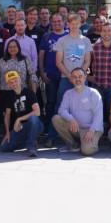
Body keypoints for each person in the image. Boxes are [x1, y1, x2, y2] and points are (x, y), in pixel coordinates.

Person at [52, 68, 103, 155]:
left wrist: (92, 131)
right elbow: (61, 110)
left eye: (80, 76)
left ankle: (91, 143)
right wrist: (71, 119)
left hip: (92, 128)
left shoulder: (93, 93)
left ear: (85, 77)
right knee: (56, 119)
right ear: (71, 79)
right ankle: (72, 145)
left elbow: (99, 115)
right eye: (74, 77)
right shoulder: (68, 93)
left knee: (87, 151)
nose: (77, 79)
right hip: (76, 128)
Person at [39, 13, 68, 146]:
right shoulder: (47, 36)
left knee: (64, 104)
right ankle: (51, 134)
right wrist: (42, 73)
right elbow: (41, 56)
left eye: (59, 21)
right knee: (50, 104)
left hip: (66, 76)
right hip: (51, 76)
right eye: (54, 21)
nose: (56, 23)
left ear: (64, 22)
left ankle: (64, 132)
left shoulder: (69, 35)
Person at [0, 70, 43, 157]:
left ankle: (31, 147)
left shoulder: (29, 92)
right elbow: (7, 116)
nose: (14, 84)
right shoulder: (9, 96)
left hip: (35, 125)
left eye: (15, 80)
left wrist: (19, 119)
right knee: (4, 147)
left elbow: (37, 112)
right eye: (11, 82)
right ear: (8, 85)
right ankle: (29, 140)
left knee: (33, 118)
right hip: (20, 128)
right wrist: (7, 133)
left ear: (20, 80)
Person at [55, 14, 92, 109]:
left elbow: (87, 61)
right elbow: (58, 62)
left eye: (77, 23)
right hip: (66, 78)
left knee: (83, 105)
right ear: (68, 24)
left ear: (80, 24)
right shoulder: (61, 40)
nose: (74, 26)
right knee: (61, 104)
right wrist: (70, 76)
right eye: (72, 23)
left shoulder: (86, 40)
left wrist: (78, 76)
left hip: (81, 79)